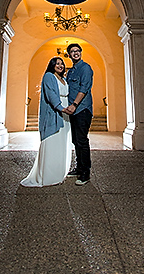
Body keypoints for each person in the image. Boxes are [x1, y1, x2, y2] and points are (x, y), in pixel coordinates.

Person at [21, 56, 72, 187]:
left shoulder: (64, 79)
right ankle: (49, 176)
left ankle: (60, 173)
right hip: (56, 113)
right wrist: (62, 108)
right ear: (52, 65)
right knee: (52, 142)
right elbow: (51, 95)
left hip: (66, 116)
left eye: (62, 64)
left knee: (62, 143)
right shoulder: (49, 76)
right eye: (57, 64)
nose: (60, 66)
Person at [65, 42, 94, 185]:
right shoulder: (71, 71)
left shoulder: (85, 68)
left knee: (82, 141)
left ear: (81, 52)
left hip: (82, 109)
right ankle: (79, 167)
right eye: (72, 51)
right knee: (75, 140)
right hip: (73, 111)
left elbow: (84, 88)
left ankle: (85, 173)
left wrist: (75, 104)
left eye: (78, 51)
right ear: (69, 54)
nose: (75, 53)